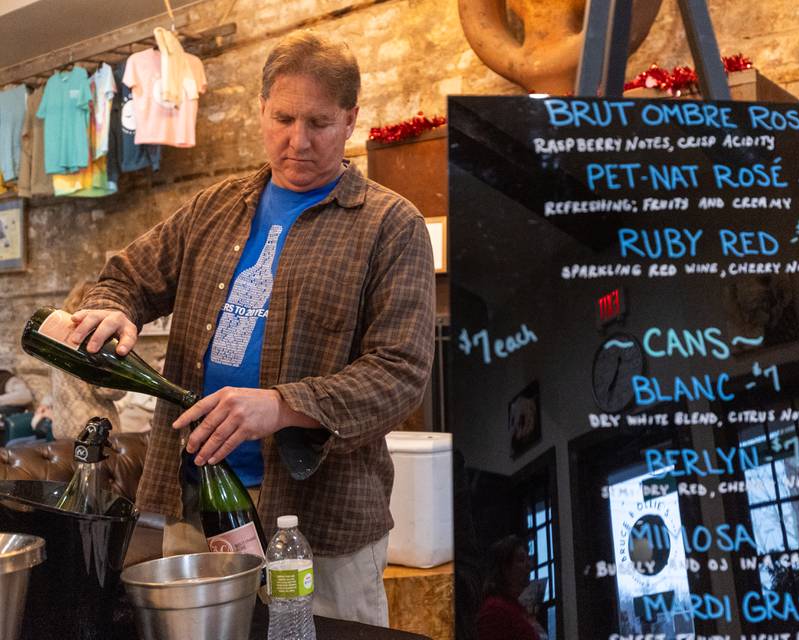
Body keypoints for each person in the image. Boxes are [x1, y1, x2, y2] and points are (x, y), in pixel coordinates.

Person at [66, 31, 435, 627]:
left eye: (319, 122)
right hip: (190, 501)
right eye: (283, 118)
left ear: (351, 121)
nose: (298, 140)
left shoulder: (391, 226)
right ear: (260, 111)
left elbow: (401, 374)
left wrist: (284, 406)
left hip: (320, 521)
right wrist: (113, 307)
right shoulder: (214, 207)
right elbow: (125, 278)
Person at [49, 281, 127, 439]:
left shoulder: (57, 338)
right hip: (94, 429)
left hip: (62, 428)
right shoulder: (95, 341)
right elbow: (112, 390)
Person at [477, 536, 540, 640]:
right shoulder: (494, 610)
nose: (529, 565)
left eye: (528, 559)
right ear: (505, 568)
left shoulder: (518, 608)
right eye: (521, 560)